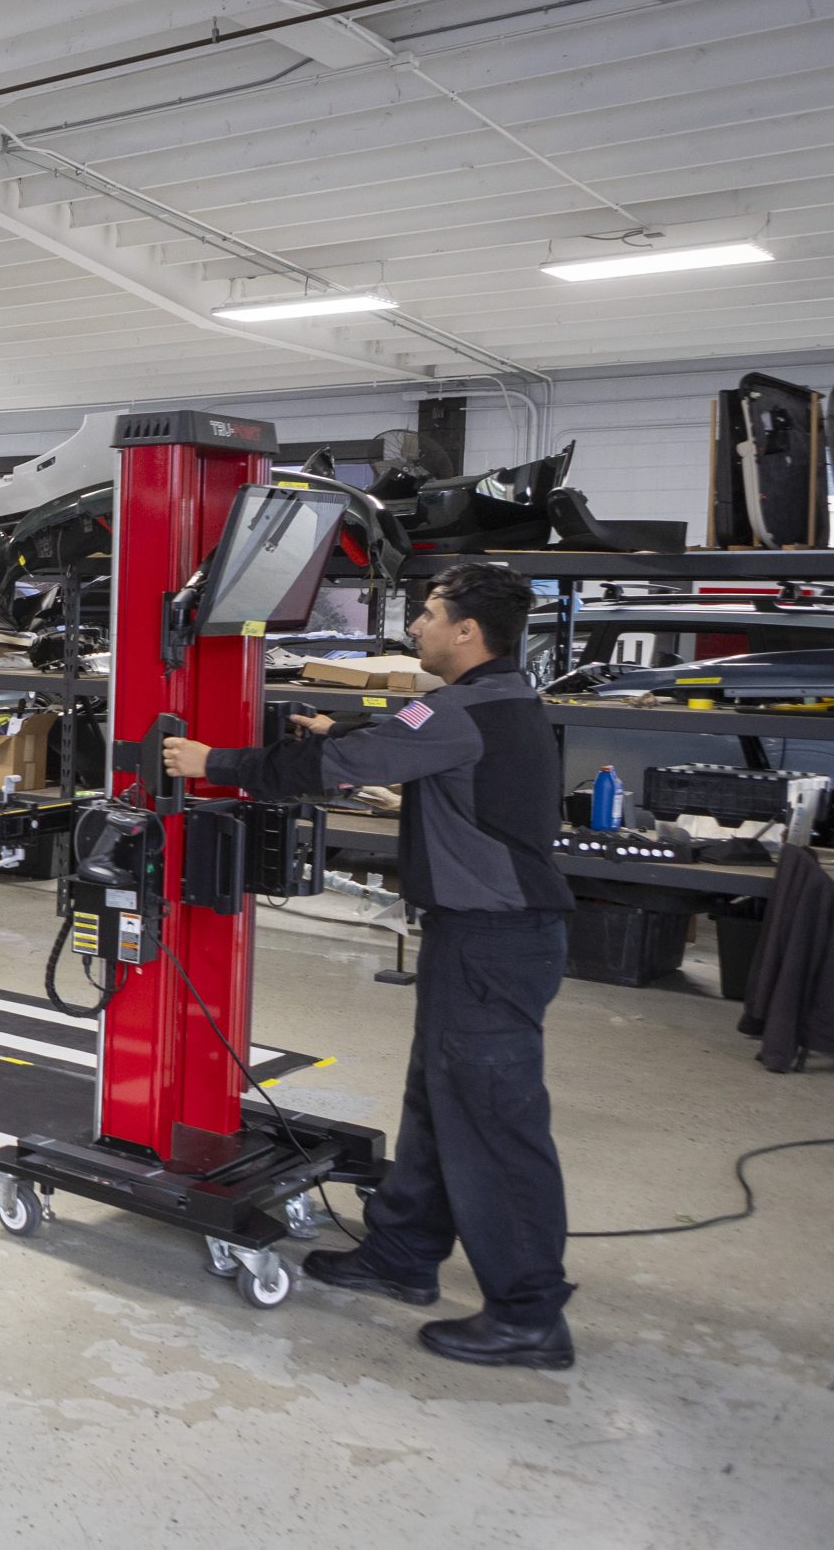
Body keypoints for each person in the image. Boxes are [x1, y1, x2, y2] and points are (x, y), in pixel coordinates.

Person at [160, 560, 578, 1370]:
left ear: (468, 631)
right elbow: (425, 769)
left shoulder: (455, 708)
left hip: (495, 940)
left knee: (495, 1123)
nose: (415, 626)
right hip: (484, 937)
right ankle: (403, 1253)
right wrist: (348, 745)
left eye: (428, 613)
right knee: (437, 1101)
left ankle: (530, 1313)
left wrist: (214, 760)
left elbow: (330, 772)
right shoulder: (506, 699)